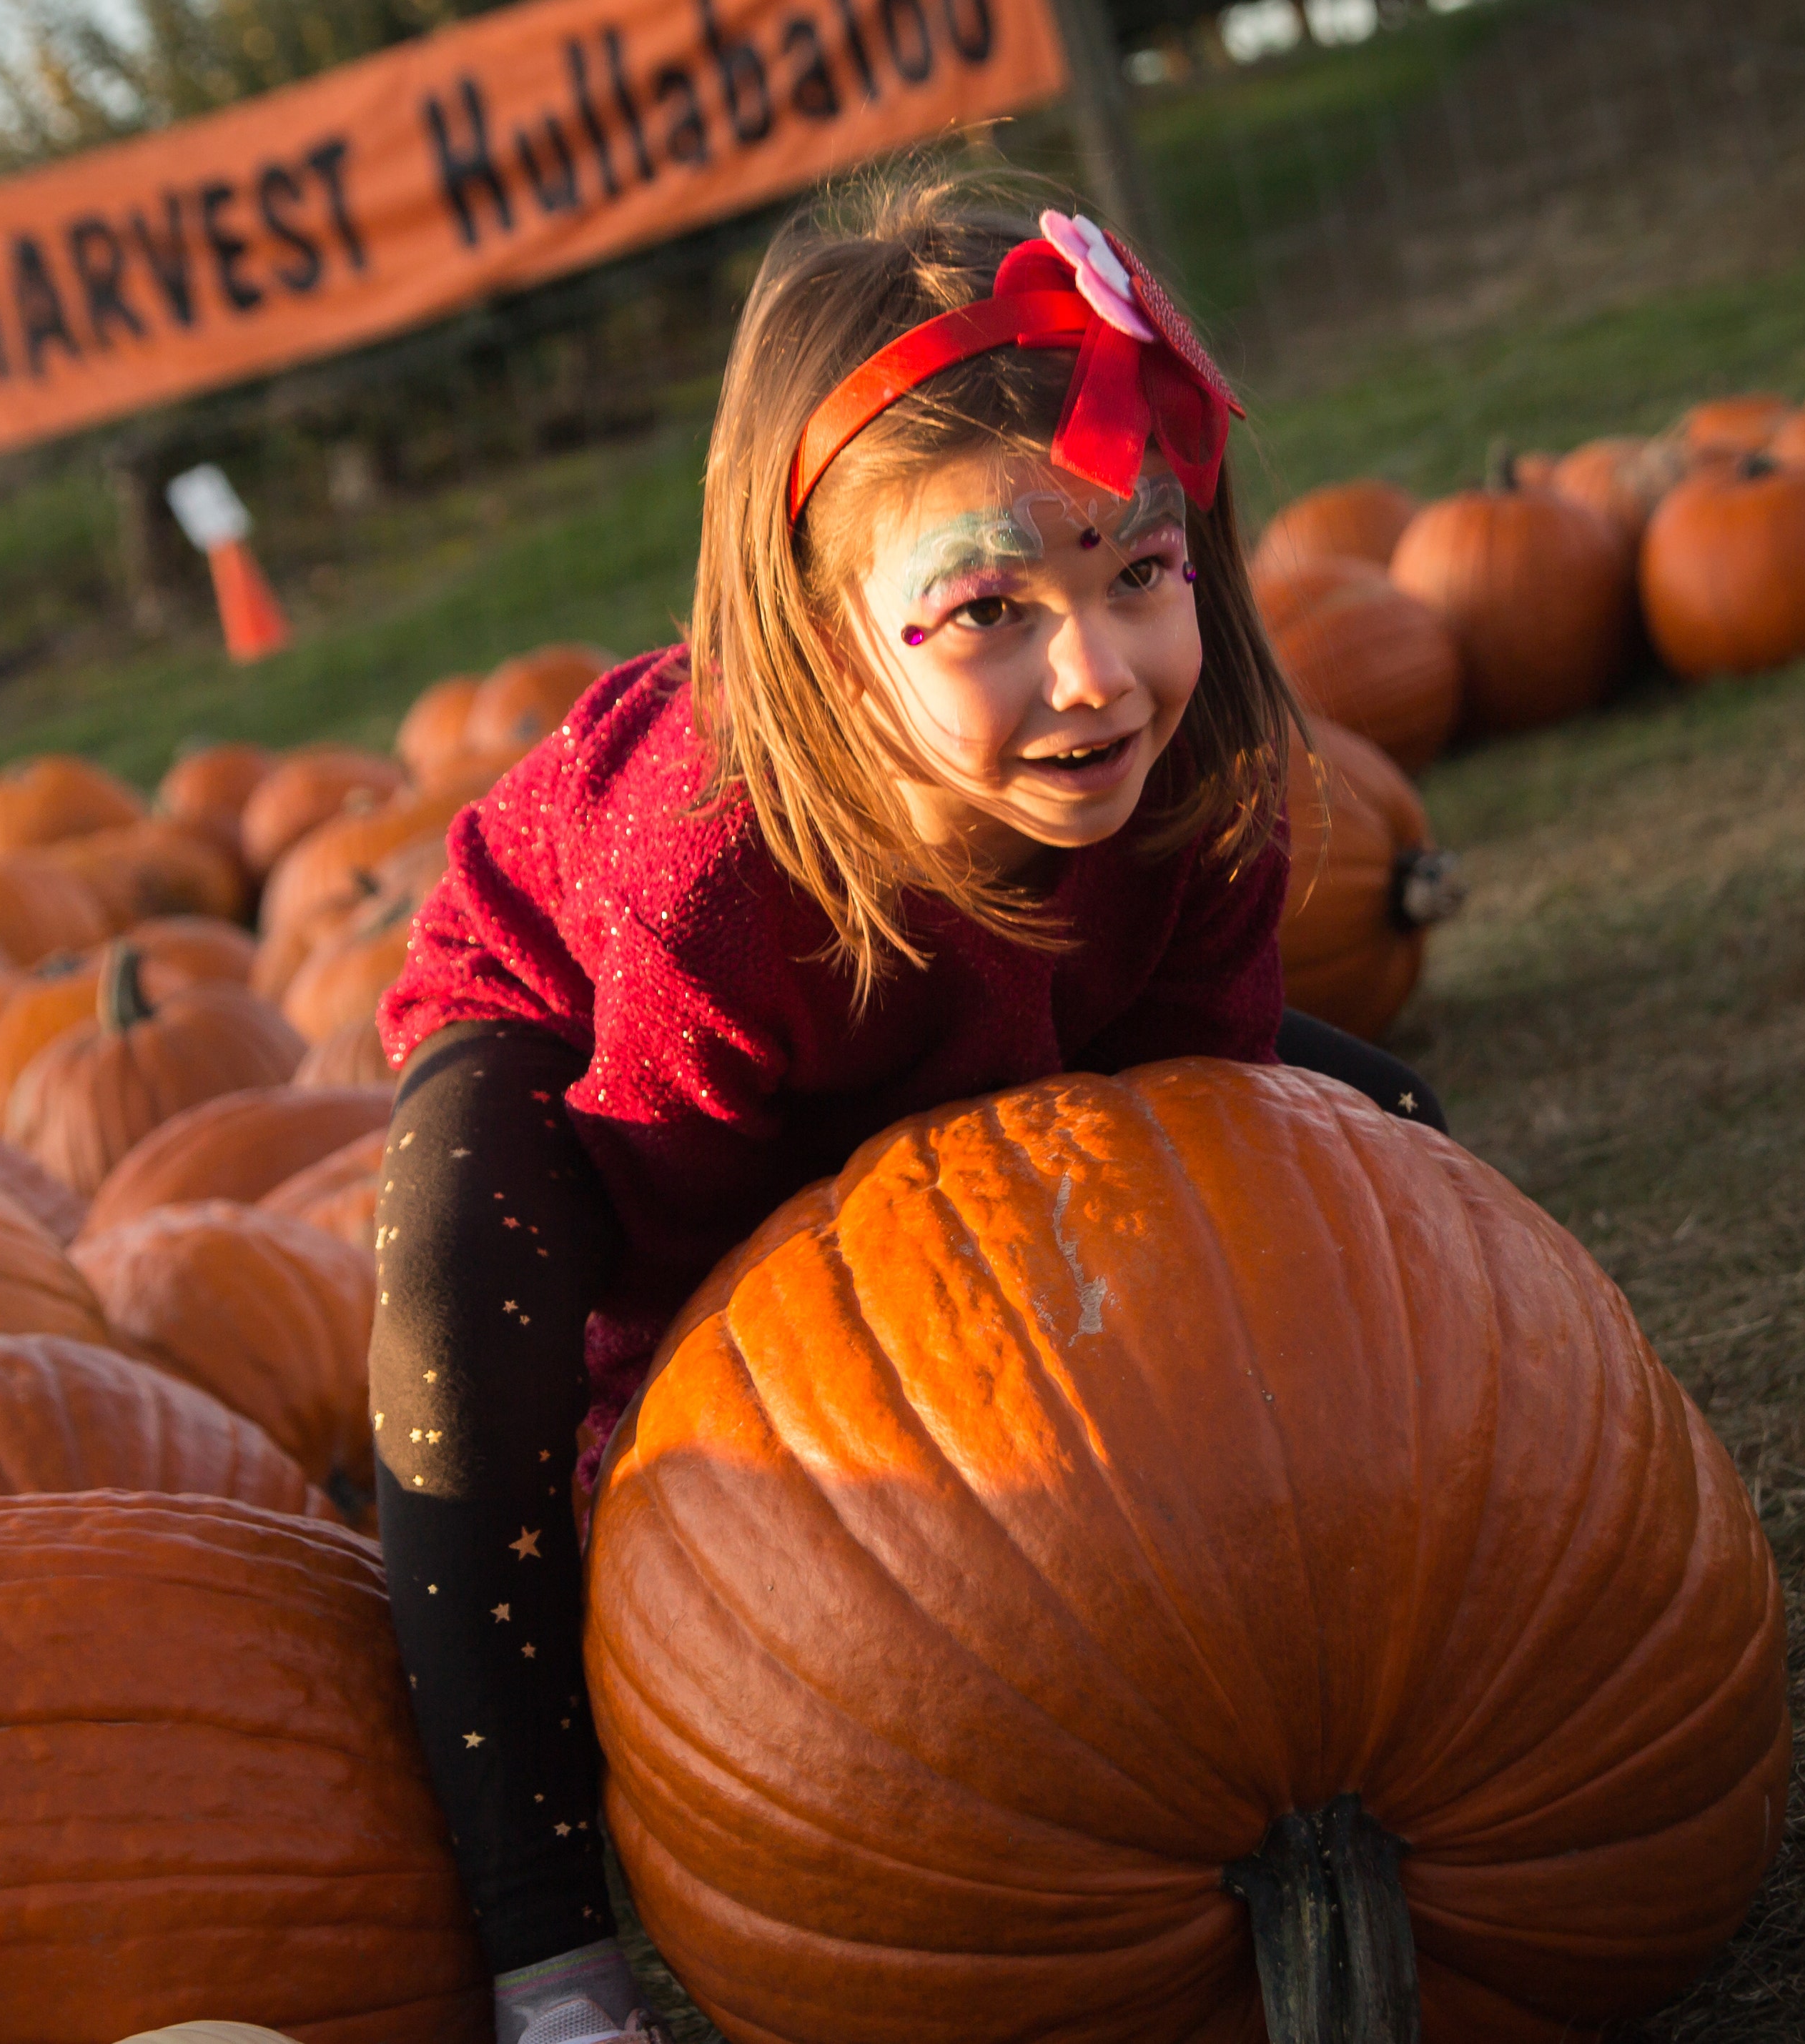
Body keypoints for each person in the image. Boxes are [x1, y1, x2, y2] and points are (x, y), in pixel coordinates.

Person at [367, 171, 1445, 2044]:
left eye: (1139, 569)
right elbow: (695, 1294)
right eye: (988, 610)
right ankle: (551, 1951)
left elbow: (1208, 1129)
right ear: (826, 634)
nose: (1096, 671)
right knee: (469, 1292)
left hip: (990, 1051)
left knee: (1391, 1136)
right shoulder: (706, 882)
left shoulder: (1197, 787)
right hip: (616, 1094)